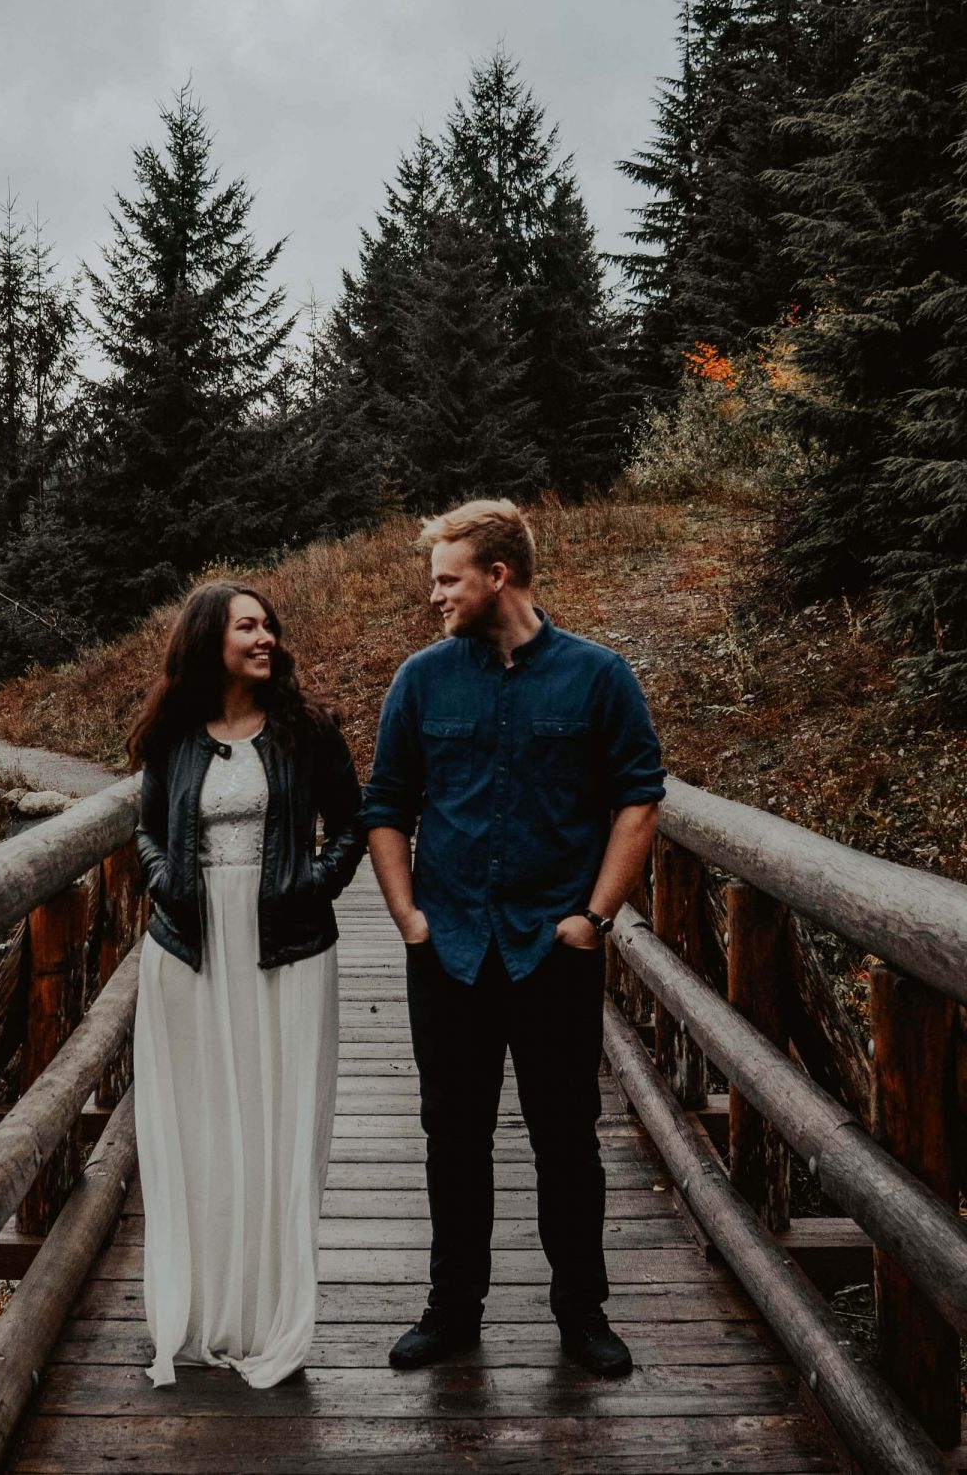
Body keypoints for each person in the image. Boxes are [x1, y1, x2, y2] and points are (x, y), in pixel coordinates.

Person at [361, 499, 664, 1376]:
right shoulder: (421, 681)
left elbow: (638, 797)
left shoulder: (598, 676)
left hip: (550, 949)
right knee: (452, 1138)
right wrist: (408, 915)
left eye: (447, 579)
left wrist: (593, 918)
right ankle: (453, 1310)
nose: (435, 596)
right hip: (447, 948)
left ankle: (582, 1314)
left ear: (499, 576)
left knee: (564, 1137)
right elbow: (385, 805)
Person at [129, 580, 364, 1388]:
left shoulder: (306, 730)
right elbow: (147, 830)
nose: (265, 637)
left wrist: (313, 887)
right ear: (208, 640)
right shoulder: (172, 734)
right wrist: (166, 883)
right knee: (200, 1128)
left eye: (268, 625)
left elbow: (353, 822)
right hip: (190, 948)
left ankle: (268, 1317)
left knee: (278, 1124)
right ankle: (201, 1312)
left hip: (287, 945)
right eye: (247, 626)